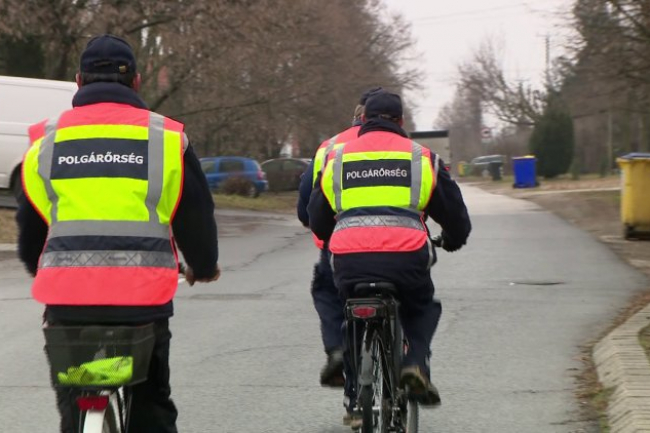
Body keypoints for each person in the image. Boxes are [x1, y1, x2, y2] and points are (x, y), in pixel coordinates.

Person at [16, 34, 220, 433]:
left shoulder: (45, 140)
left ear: (78, 81)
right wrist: (204, 265)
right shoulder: (166, 137)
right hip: (143, 300)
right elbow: (195, 215)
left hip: (67, 301)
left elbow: (31, 224)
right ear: (138, 82)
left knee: (75, 397)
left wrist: (36, 266)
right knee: (151, 401)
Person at [308, 91, 471, 412]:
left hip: (348, 259)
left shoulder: (337, 157)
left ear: (363, 119)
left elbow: (317, 218)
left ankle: (343, 354)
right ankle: (414, 365)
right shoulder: (421, 157)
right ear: (401, 121)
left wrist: (337, 235)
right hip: (406, 257)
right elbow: (454, 214)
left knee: (344, 304)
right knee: (422, 306)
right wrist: (453, 238)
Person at [297, 87, 383, 389]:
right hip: (398, 246)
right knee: (413, 295)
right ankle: (409, 361)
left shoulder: (331, 147)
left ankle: (336, 351)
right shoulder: (406, 147)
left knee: (328, 291)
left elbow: (307, 203)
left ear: (357, 115)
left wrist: (320, 229)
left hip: (341, 246)